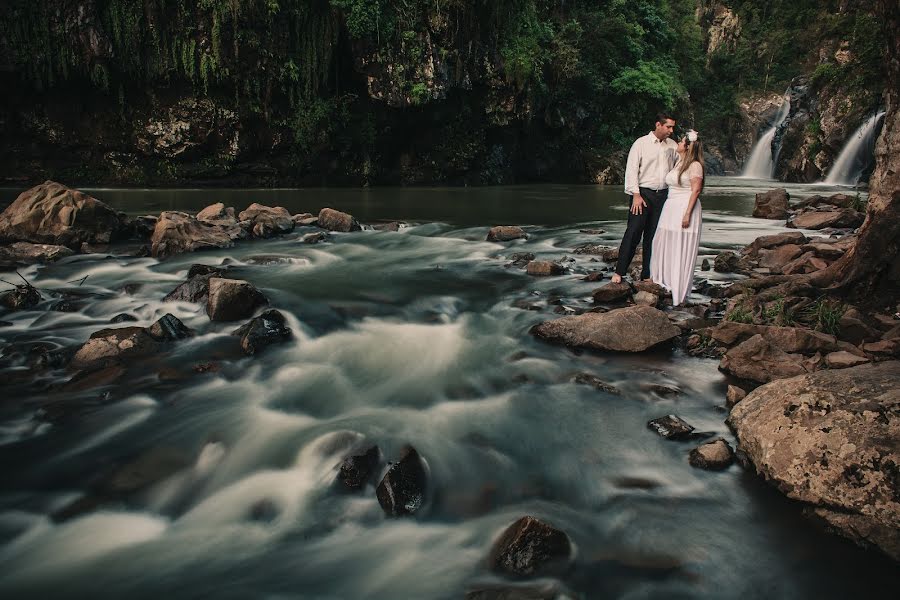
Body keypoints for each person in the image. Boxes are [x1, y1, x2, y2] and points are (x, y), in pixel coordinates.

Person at [611, 113, 678, 284]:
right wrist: (635, 195)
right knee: (633, 232)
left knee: (654, 236)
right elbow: (632, 170)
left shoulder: (672, 146)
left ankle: (647, 274)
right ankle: (619, 272)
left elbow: (680, 167)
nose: (671, 130)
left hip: (663, 195)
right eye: (668, 126)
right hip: (642, 194)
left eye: (672, 127)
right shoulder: (641, 143)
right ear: (658, 125)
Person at [649, 130, 704, 306]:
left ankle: (678, 289)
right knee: (662, 241)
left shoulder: (695, 165)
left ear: (687, 147)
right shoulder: (679, 162)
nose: (678, 144)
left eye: (681, 142)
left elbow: (695, 190)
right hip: (670, 207)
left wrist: (687, 213)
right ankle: (662, 280)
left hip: (684, 207)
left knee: (680, 245)